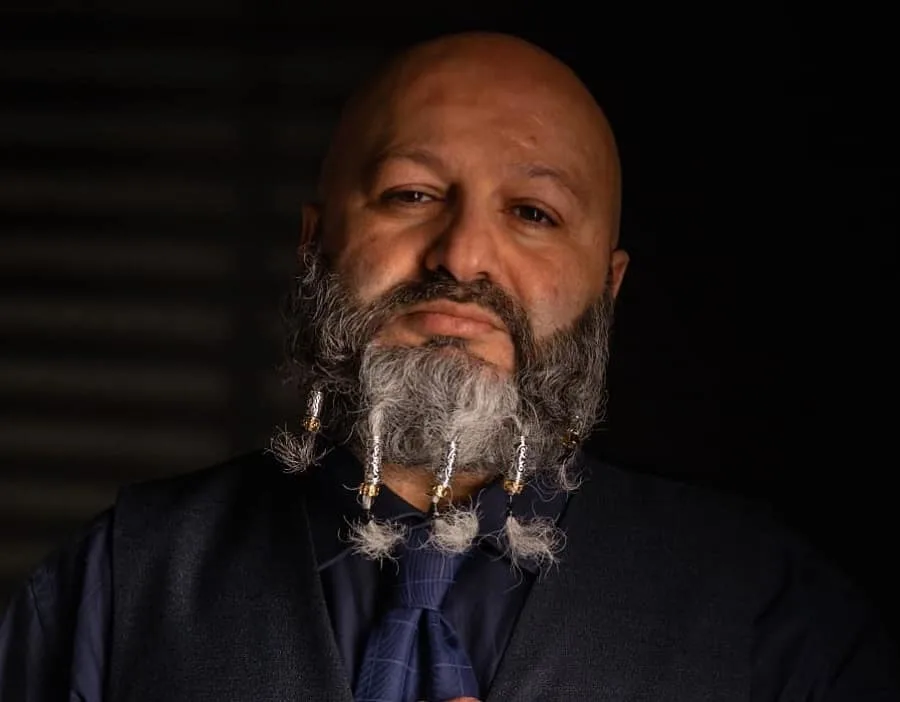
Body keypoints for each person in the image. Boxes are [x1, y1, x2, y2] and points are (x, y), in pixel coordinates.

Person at [1, 31, 898, 702]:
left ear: (608, 287)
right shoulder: (114, 585)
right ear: (315, 246)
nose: (463, 256)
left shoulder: (772, 615)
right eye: (413, 194)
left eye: (535, 213)